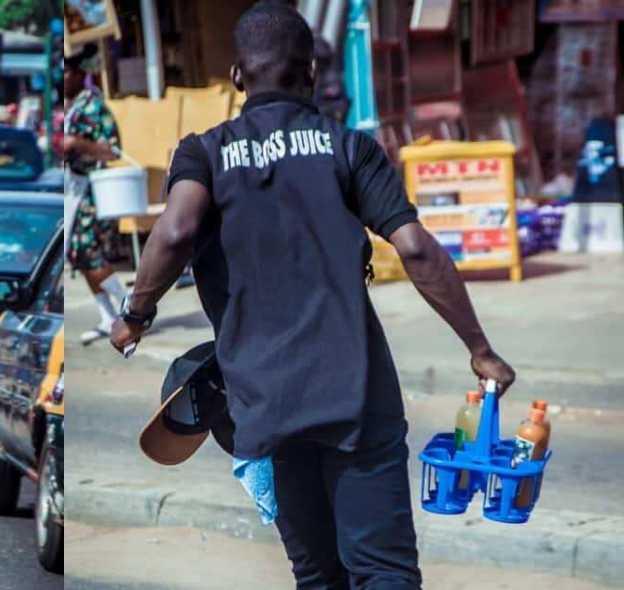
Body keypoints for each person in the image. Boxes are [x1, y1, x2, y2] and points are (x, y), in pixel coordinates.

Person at [110, 4, 516, 589]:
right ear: (312, 76)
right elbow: (417, 249)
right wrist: (479, 348)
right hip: (355, 392)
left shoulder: (204, 152)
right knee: (383, 570)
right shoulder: (348, 148)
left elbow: (174, 232)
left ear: (238, 78)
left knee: (317, 574)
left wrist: (135, 315)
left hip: (264, 397)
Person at [58, 43, 130, 345]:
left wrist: (78, 144)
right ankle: (108, 316)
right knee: (76, 254)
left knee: (89, 252)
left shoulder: (93, 106)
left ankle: (129, 303)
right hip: (73, 187)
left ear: (76, 73)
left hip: (92, 190)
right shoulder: (71, 106)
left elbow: (113, 150)